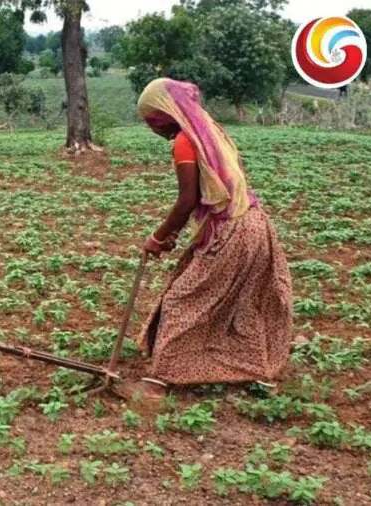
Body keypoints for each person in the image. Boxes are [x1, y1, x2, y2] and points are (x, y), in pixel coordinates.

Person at [120, 78, 293, 402]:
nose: (151, 127)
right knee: (242, 305)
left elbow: (187, 200)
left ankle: (160, 380)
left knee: (182, 301)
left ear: (165, 114)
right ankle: (257, 373)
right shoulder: (210, 133)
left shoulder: (185, 141)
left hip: (231, 233)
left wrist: (157, 238)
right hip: (255, 226)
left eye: (151, 119)